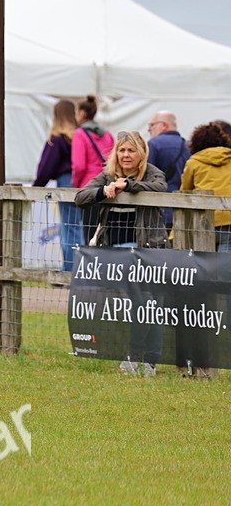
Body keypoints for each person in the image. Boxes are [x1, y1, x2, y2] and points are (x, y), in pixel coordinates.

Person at [75, 130, 169, 377]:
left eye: (131, 150)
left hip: (148, 251)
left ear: (142, 153)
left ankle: (145, 360)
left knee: (150, 304)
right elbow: (80, 196)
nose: (126, 155)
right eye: (122, 150)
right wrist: (103, 191)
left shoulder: (153, 173)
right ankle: (138, 359)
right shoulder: (107, 175)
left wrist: (128, 185)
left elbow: (160, 187)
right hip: (116, 253)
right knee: (144, 304)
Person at [33, 99, 82, 273]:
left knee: (69, 228)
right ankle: (82, 271)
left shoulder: (58, 138)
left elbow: (46, 166)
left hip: (66, 183)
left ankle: (70, 271)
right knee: (81, 228)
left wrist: (36, 187)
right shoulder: (80, 136)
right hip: (84, 183)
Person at [180, 122, 231, 253]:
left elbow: (184, 191)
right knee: (225, 266)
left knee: (205, 265)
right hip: (228, 219)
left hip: (204, 219)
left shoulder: (193, 162)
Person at [71, 95, 113, 245]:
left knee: (89, 233)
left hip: (89, 188)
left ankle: (90, 264)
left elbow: (79, 166)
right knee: (106, 231)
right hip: (108, 187)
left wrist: (76, 185)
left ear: (82, 113)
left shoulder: (79, 134)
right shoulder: (107, 134)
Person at [146, 110, 189, 232]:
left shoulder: (153, 144)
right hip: (184, 209)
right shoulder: (187, 146)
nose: (149, 129)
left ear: (164, 125)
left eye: (152, 125)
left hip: (161, 209)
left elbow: (147, 176)